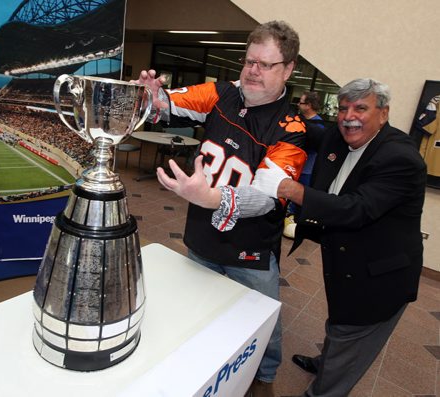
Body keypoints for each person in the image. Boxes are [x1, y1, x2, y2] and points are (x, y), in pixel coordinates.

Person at [136, 20, 308, 397]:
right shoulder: (221, 92)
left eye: (266, 64)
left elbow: (266, 197)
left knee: (262, 317)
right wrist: (152, 97)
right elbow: (171, 104)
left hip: (249, 248)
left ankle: (265, 378)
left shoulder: (290, 128)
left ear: (289, 69)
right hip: (202, 233)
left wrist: (214, 198)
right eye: (249, 61)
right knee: (198, 305)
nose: (253, 71)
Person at [252, 78, 427, 396]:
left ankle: (324, 388)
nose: (349, 117)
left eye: (361, 108)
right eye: (344, 108)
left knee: (351, 332)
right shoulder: (338, 135)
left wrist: (289, 188)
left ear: (383, 114)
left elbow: (357, 209)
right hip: (346, 262)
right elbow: (310, 131)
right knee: (340, 323)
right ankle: (327, 361)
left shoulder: (400, 158)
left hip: (381, 276)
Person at [284, 91, 325, 238]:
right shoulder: (298, 120)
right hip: (294, 166)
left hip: (307, 169)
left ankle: (295, 224)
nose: (298, 104)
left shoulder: (318, 127)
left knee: (299, 198)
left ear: (309, 105)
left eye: (301, 102)